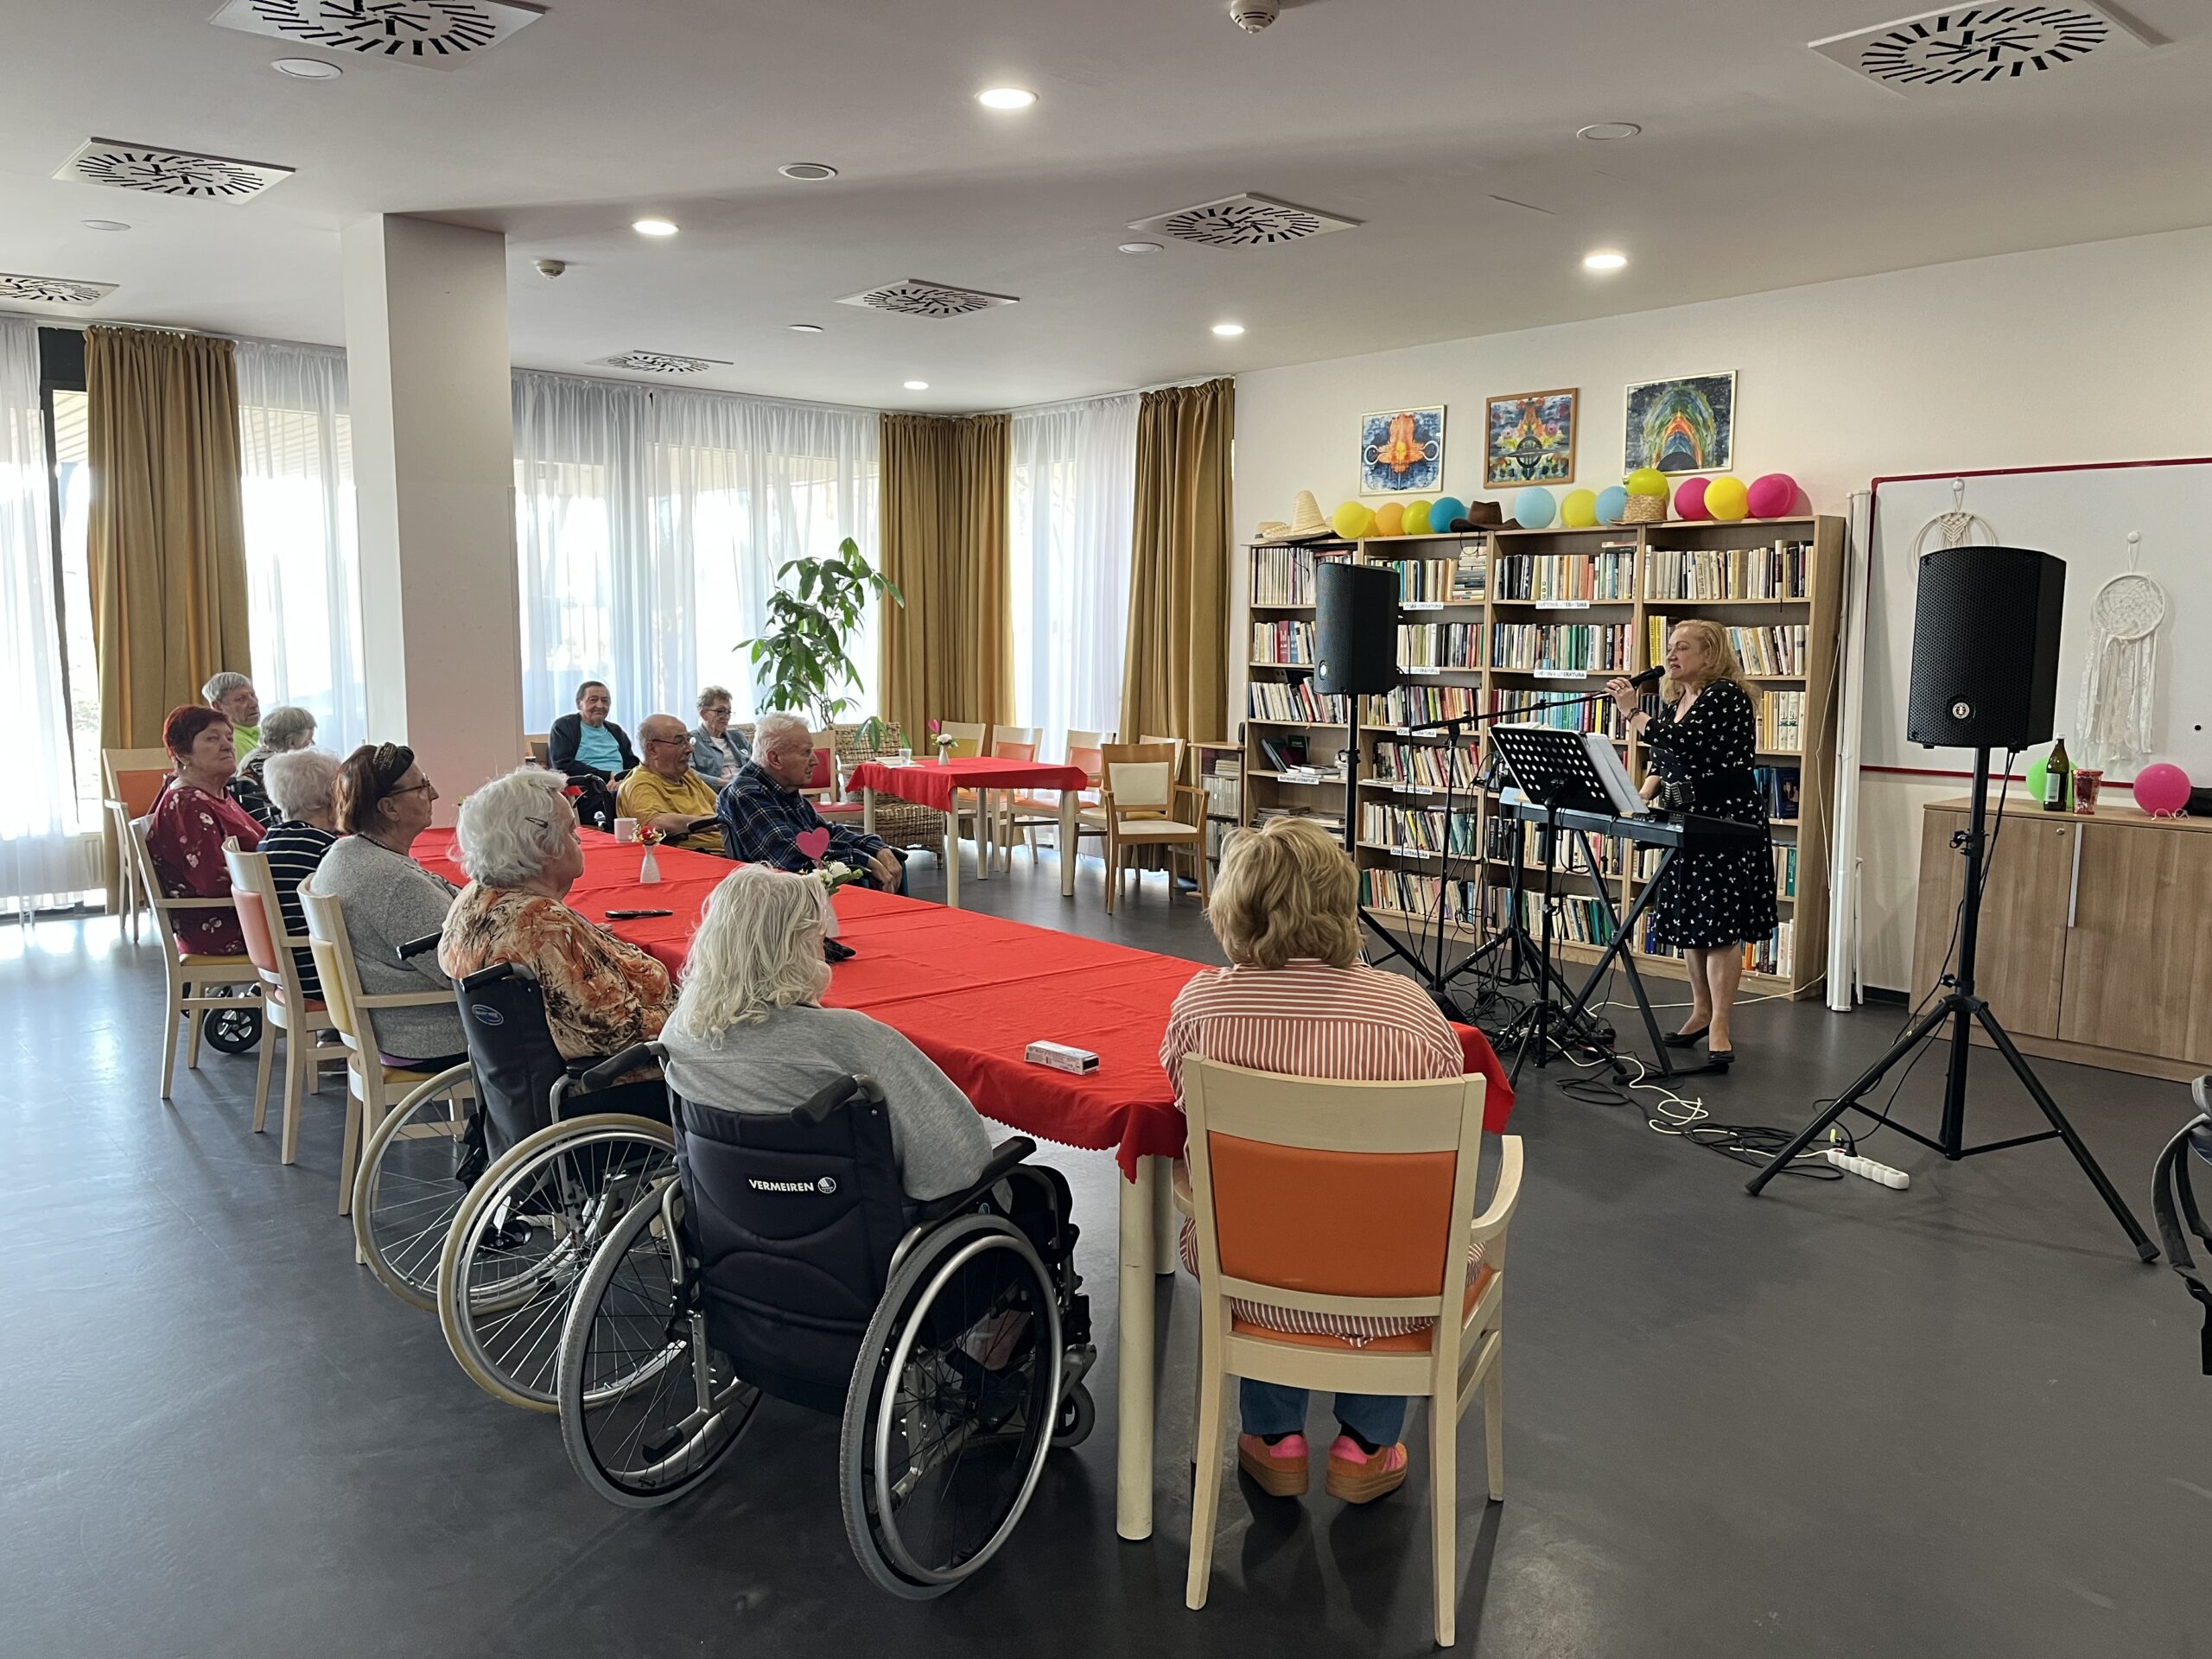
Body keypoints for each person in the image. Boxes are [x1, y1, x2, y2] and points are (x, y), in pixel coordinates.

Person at [1160, 816, 1469, 1507]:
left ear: (1234, 907)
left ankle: (1275, 1440)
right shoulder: (1409, 1012)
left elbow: (1182, 1100)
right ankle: (1365, 1446)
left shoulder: (1203, 1007)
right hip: (1390, 1282)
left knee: (1267, 1220)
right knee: (1385, 1231)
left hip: (1253, 1272)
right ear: (1340, 903)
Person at [661, 863, 991, 1204]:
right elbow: (954, 1167)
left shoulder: (680, 1031)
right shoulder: (853, 1040)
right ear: (801, 948)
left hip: (727, 1217)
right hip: (857, 1225)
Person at [1606, 618, 1777, 1071]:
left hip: (1725, 821)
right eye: (1670, 646)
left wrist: (1631, 712)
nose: (1671, 655)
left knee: (1720, 924)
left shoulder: (1725, 696)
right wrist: (1639, 798)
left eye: (1683, 647)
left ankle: (1720, 1024)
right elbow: (1664, 759)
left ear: (1710, 654)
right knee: (1692, 918)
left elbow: (1686, 742)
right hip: (1685, 820)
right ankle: (1700, 1010)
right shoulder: (1676, 701)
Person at [439, 768, 677, 1078]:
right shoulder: (543, 926)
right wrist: (690, 1013)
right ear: (542, 844)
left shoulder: (475, 896)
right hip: (621, 1081)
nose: (578, 838)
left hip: (518, 1079)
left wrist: (585, 937)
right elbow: (619, 1033)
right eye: (570, 829)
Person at [311, 742, 464, 1066]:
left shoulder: (344, 853)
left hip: (393, 1026)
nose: (434, 794)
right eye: (422, 787)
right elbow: (460, 970)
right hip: (430, 1036)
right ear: (389, 808)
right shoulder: (395, 883)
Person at [717, 712, 903, 889]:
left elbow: (826, 833)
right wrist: (863, 859)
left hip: (805, 892)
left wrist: (877, 847)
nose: (815, 761)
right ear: (775, 759)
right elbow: (790, 855)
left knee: (891, 860)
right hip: (779, 900)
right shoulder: (746, 793)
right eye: (806, 752)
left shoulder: (782, 787)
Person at [144, 704, 263, 956]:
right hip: (221, 926)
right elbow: (213, 882)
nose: (227, 745)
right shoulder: (188, 802)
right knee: (330, 931)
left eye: (229, 738)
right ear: (182, 753)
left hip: (246, 914)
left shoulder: (217, 794)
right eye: (212, 738)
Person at [258, 748, 341, 998]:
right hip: (321, 975)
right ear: (331, 796)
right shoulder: (324, 849)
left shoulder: (266, 843)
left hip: (286, 974)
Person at [615, 715, 726, 854]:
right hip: (701, 856)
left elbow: (720, 805)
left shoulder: (687, 775)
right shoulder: (638, 784)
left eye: (688, 740)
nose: (690, 749)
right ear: (652, 749)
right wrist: (715, 822)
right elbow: (655, 823)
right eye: (679, 742)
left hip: (732, 849)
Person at [549, 679, 637, 832]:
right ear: (579, 704)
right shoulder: (564, 726)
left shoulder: (616, 731)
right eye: (593, 700)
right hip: (588, 790)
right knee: (622, 799)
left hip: (621, 786)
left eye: (605, 701)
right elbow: (562, 763)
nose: (600, 705)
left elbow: (633, 763)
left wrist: (623, 779)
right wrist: (607, 776)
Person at [232, 704, 318, 829]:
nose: (312, 745)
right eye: (309, 741)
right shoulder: (282, 767)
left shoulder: (254, 756)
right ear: (292, 743)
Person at [689, 685, 752, 785]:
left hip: (749, 786)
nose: (726, 717)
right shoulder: (692, 740)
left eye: (728, 712)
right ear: (704, 714)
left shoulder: (738, 736)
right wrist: (723, 783)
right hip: (718, 790)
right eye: (720, 711)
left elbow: (756, 763)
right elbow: (689, 773)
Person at [202, 671, 261, 758]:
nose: (254, 703)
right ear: (218, 706)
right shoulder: (235, 743)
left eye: (253, 695)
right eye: (241, 699)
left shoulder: (253, 735)